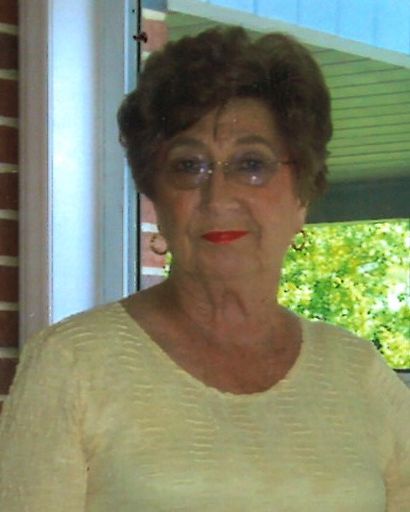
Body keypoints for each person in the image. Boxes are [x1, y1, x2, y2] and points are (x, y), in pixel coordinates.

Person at [0, 26, 409, 512]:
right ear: (156, 197)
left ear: (303, 192)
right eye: (189, 166)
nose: (219, 196)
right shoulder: (72, 363)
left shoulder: (358, 374)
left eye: (251, 164)